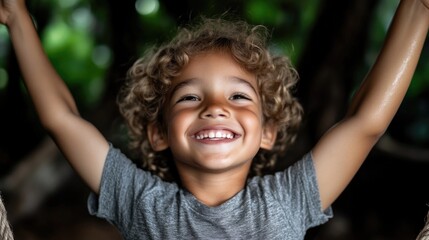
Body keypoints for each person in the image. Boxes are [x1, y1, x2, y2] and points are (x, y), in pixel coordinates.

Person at [1, 0, 429, 239]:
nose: (215, 107)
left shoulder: (288, 201)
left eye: (239, 96)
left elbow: (365, 123)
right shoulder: (141, 201)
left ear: (267, 131)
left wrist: (416, 10)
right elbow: (62, 119)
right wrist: (18, 17)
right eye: (189, 97)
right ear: (159, 132)